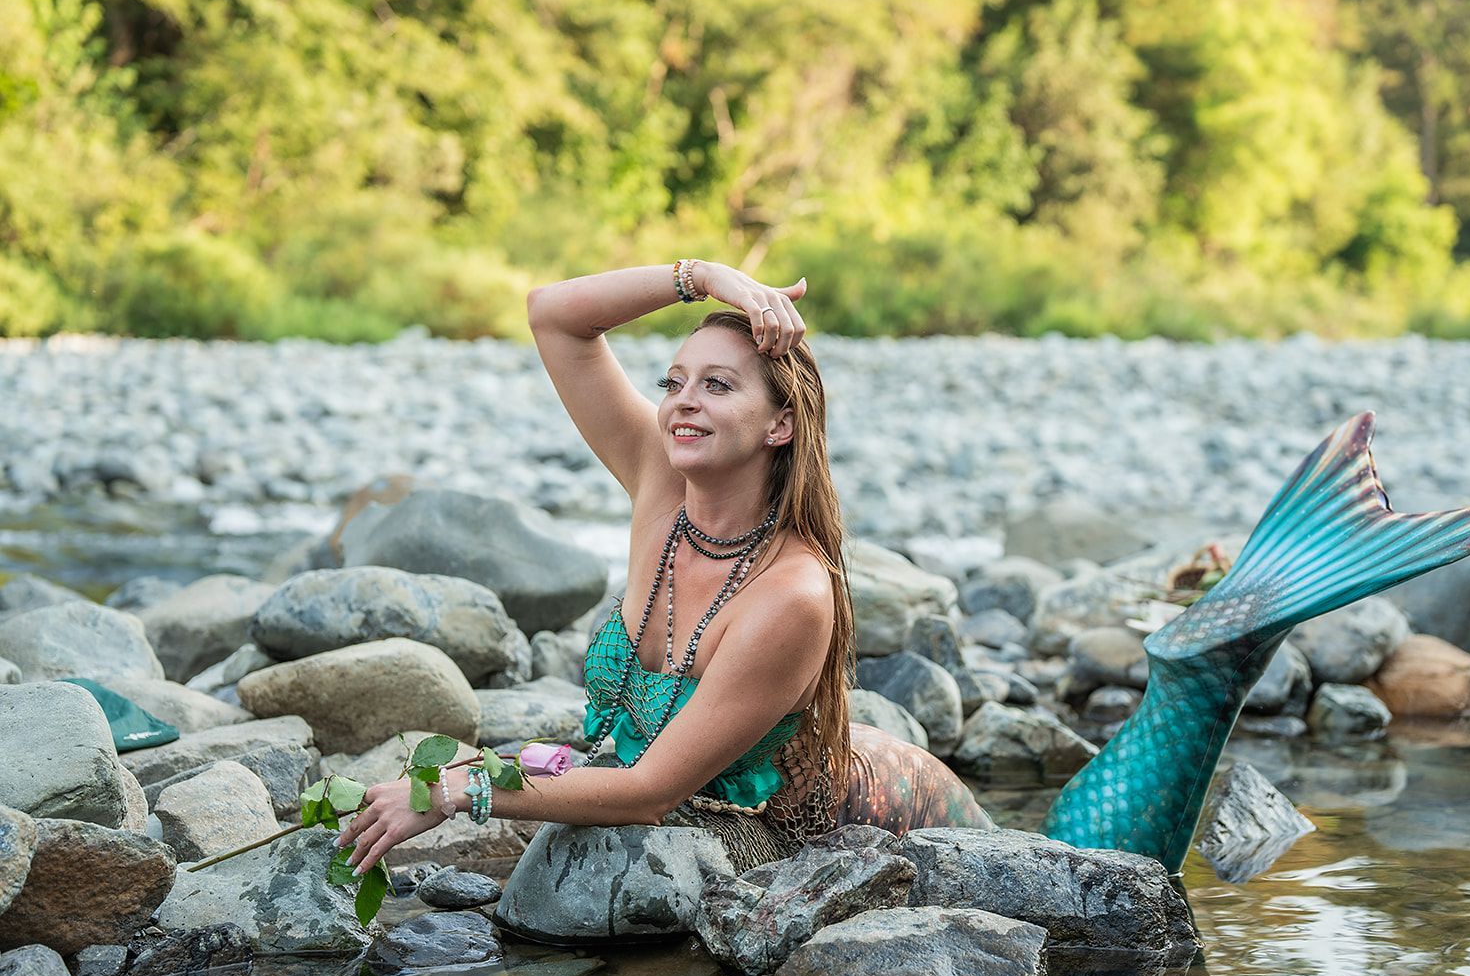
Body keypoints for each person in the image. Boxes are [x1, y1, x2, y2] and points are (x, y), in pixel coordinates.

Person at [339, 260, 987, 876]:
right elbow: (554, 316)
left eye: (717, 385)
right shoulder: (660, 483)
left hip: (876, 816)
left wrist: (458, 792)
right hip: (716, 788)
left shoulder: (792, 593)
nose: (683, 402)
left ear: (781, 424)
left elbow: (651, 791)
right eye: (673, 383)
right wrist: (702, 276)